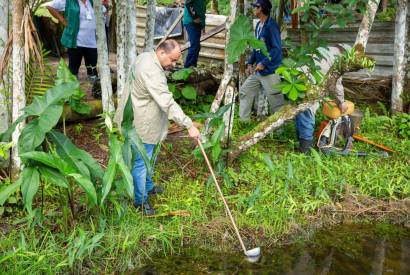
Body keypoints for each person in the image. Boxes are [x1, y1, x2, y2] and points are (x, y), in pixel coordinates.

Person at [114, 40, 201, 216]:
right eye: (173, 60)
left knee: (149, 157)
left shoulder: (146, 56)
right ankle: (141, 201)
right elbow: (167, 102)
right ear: (161, 53)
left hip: (146, 118)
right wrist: (188, 124)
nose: (174, 65)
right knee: (141, 162)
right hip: (140, 122)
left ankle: (148, 186)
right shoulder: (151, 71)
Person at [295, 46, 348, 153]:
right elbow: (336, 84)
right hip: (309, 84)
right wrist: (341, 102)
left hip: (295, 79)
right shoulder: (338, 59)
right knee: (307, 115)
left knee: (299, 113)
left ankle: (300, 143)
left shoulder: (322, 49)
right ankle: (304, 151)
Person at [239, 0, 284, 122]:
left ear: (262, 9)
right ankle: (244, 122)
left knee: (276, 103)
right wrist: (249, 63)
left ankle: (281, 130)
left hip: (270, 71)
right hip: (258, 71)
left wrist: (264, 63)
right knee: (245, 91)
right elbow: (256, 47)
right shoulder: (259, 25)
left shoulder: (272, 26)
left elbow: (276, 49)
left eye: (256, 7)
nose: (254, 9)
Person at [47, 0, 105, 81]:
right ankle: (72, 90)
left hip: (92, 42)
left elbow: (103, 10)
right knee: (73, 71)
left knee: (93, 71)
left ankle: (95, 90)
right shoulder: (69, 1)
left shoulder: (93, 2)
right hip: (76, 41)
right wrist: (63, 20)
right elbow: (49, 6)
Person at [183, 0, 206, 68]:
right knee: (195, 45)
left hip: (198, 23)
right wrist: (194, 17)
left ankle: (193, 66)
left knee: (196, 46)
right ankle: (188, 67)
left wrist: (203, 25)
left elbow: (202, 9)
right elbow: (188, 3)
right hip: (191, 22)